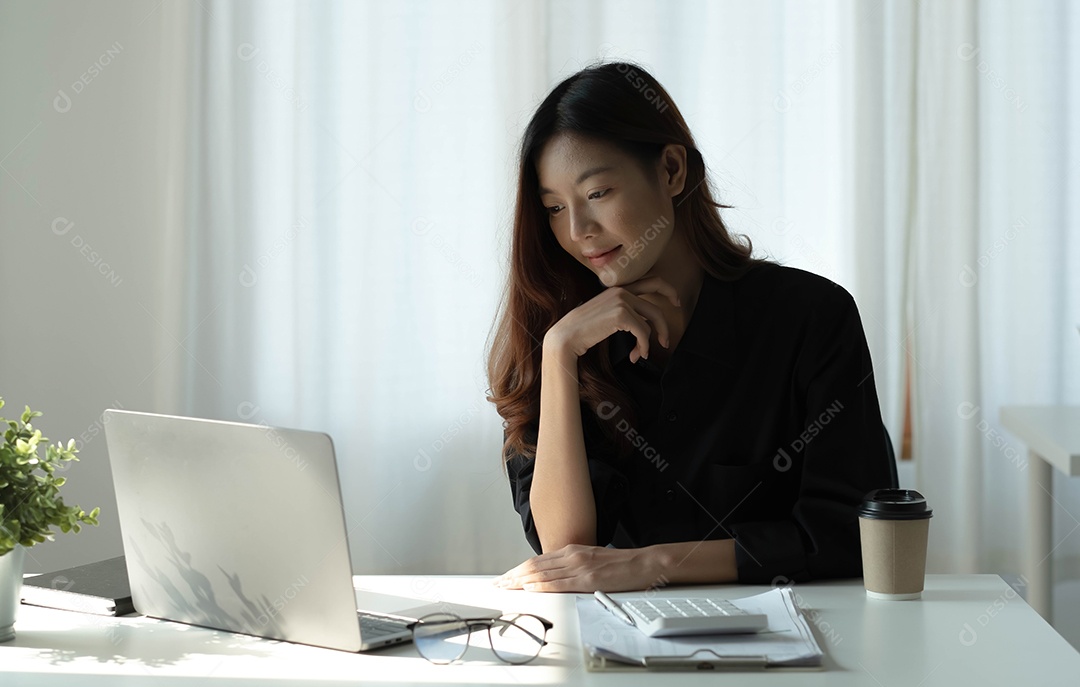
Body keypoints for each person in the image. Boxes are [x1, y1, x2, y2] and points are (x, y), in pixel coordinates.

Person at [485, 62, 895, 593]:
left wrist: (651, 563)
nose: (579, 231)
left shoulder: (812, 315)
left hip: (797, 644)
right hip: (621, 650)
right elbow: (564, 549)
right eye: (555, 208)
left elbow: (851, 533)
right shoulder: (559, 333)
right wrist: (560, 354)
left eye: (598, 193)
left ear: (673, 171)